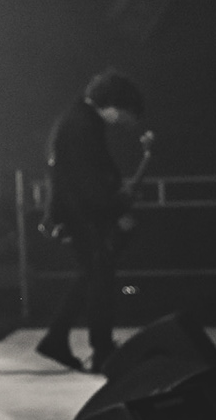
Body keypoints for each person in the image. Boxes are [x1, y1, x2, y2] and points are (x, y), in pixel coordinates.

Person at [36, 68, 152, 373]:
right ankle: (100, 350)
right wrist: (117, 209)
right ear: (113, 104)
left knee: (92, 275)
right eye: (126, 112)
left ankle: (59, 338)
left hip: (78, 211)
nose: (126, 120)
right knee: (100, 278)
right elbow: (89, 181)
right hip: (85, 214)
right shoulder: (83, 125)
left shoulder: (77, 119)